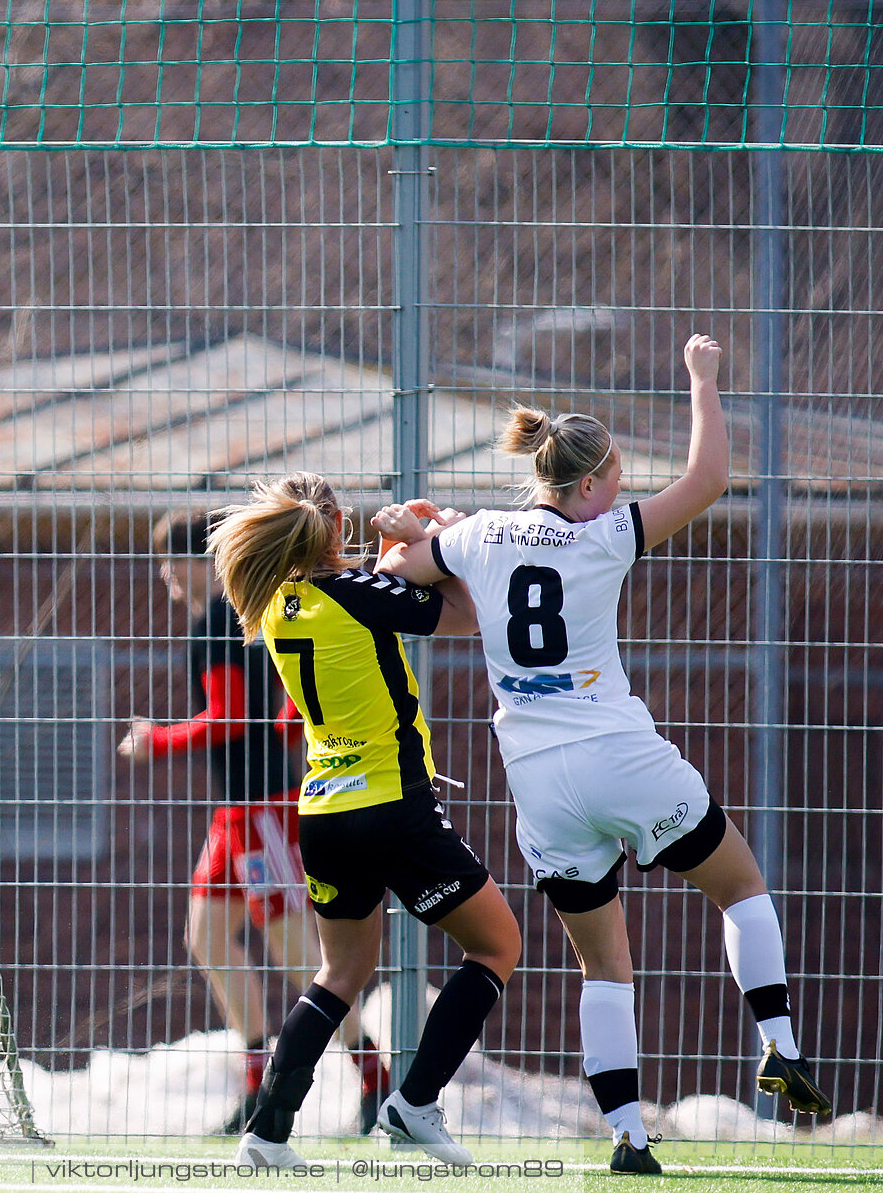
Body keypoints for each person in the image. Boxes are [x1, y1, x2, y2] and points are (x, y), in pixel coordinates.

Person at [374, 333, 832, 1175]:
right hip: (621, 754)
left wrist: (421, 527)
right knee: (740, 889)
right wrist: (701, 379)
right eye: (614, 481)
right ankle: (781, 1042)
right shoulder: (605, 535)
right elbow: (708, 481)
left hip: (539, 783)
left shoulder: (481, 534)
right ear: (588, 487)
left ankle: (628, 1138)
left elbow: (401, 561)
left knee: (603, 965)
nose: (618, 492)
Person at [205, 472, 520, 1171]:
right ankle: (415, 1104)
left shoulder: (280, 601)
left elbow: (365, 598)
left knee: (339, 972)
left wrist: (394, 553)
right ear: (336, 524)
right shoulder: (356, 594)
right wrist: (431, 542)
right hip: (389, 807)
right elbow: (465, 614)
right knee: (496, 945)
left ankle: (267, 1132)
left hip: (322, 814)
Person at [118, 511, 390, 1135]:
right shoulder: (248, 618)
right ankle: (256, 1080)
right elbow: (284, 705)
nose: (164, 573)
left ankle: (376, 1077)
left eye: (171, 558)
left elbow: (235, 715)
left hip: (263, 807)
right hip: (238, 811)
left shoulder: (218, 622)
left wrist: (155, 740)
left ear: (203, 564)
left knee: (301, 958)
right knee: (208, 939)